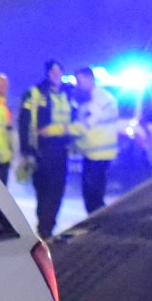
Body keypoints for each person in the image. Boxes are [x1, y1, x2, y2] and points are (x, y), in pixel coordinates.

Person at [18, 60, 76, 240]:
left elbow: (75, 118)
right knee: (44, 189)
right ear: (47, 73)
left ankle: (48, 227)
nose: (56, 75)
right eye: (53, 72)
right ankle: (44, 228)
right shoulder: (35, 93)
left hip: (62, 148)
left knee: (58, 189)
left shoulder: (68, 93)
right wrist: (26, 150)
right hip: (42, 148)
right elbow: (24, 123)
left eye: (59, 71)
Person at [71, 66, 119, 214]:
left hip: (100, 155)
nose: (78, 85)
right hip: (91, 154)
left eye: (80, 81)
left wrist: (62, 130)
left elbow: (86, 124)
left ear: (90, 79)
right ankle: (96, 223)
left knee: (94, 194)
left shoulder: (101, 99)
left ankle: (101, 225)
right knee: (89, 194)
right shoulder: (88, 99)